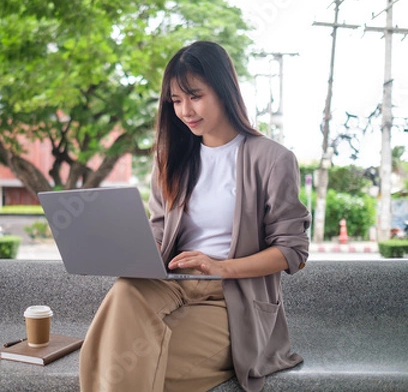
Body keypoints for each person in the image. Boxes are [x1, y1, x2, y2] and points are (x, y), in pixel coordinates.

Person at [79, 41, 311, 392]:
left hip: (233, 296)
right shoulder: (170, 159)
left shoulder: (272, 159)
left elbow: (293, 251)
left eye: (195, 96)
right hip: (172, 283)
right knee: (126, 291)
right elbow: (160, 234)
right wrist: (126, 250)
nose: (185, 110)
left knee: (123, 363)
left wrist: (220, 267)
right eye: (175, 100)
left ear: (224, 90)